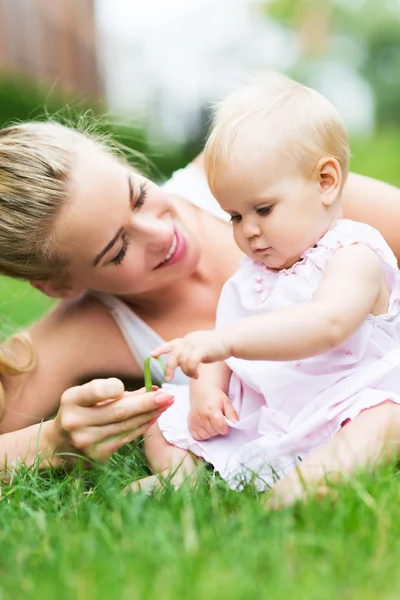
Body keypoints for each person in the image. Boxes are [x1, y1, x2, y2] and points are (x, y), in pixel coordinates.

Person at [0, 105, 400, 486]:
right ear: (60, 286)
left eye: (138, 195)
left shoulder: (241, 174)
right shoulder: (82, 331)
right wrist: (51, 441)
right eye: (118, 250)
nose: (161, 235)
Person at [151, 73, 400, 505]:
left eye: (262, 209)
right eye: (233, 216)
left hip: (346, 400)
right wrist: (207, 390)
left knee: (386, 420)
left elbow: (326, 324)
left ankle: (308, 482)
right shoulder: (252, 273)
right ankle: (183, 480)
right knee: (159, 411)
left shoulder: (352, 253)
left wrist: (223, 342)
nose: (248, 230)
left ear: (326, 181)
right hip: (273, 407)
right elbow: (223, 343)